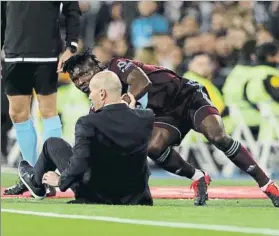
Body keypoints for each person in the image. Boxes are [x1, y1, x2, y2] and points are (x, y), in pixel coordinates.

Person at [63, 51, 279, 207]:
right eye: (75, 79)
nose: (81, 81)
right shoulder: (97, 103)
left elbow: (141, 81)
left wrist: (127, 100)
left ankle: (266, 183)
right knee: (153, 148)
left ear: (96, 66)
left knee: (217, 136)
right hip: (164, 114)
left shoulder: (116, 66)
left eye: (84, 73)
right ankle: (198, 176)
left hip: (185, 95)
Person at [17, 71, 154, 205]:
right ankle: (35, 180)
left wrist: (60, 181)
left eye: (91, 92)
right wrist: (132, 110)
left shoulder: (88, 122)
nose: (89, 97)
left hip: (98, 195)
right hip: (136, 196)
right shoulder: (146, 117)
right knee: (54, 144)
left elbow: (80, 162)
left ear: (102, 93)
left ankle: (36, 182)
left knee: (51, 144)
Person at [2, 2, 81, 195]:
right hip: (14, 53)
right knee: (17, 114)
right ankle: (31, 176)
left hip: (46, 53)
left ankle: (47, 176)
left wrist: (71, 45)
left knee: (48, 111)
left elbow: (72, 9)